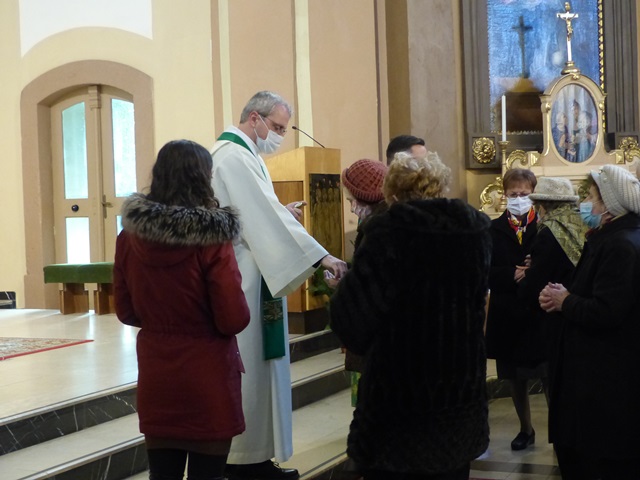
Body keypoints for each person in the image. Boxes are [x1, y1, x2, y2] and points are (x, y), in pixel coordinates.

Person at [209, 90, 347, 480]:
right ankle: (245, 461)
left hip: (253, 270)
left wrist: (277, 214)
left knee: (260, 366)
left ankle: (257, 457)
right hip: (243, 276)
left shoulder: (242, 154)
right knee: (251, 367)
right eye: (278, 127)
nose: (280, 136)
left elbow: (257, 214)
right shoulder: (233, 157)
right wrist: (322, 257)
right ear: (254, 118)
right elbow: (260, 217)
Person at [330, 151, 491, 479]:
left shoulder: (387, 232)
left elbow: (354, 320)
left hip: (401, 399)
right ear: (440, 186)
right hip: (458, 392)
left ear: (391, 192)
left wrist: (343, 288)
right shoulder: (474, 232)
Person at [114, 139, 251, 480]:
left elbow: (125, 310)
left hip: (158, 372)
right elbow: (232, 317)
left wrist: (162, 320)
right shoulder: (212, 237)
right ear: (203, 178)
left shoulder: (129, 237)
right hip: (207, 373)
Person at [539, 165, 640, 479]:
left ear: (609, 206)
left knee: (597, 463)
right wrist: (566, 294)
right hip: (602, 376)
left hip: (603, 380)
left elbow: (606, 310)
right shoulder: (616, 238)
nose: (585, 204)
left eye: (591, 197)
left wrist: (565, 301)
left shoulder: (620, 245)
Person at [484, 168, 540, 451]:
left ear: (533, 194)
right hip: (507, 311)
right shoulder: (492, 229)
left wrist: (532, 272)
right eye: (513, 194)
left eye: (524, 194)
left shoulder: (543, 226)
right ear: (505, 195)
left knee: (547, 372)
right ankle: (525, 428)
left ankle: (558, 430)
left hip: (537, 310)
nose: (519, 199)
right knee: (514, 376)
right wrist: (511, 274)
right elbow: (484, 269)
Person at [517, 177, 587, 397]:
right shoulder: (579, 223)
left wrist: (526, 278)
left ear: (542, 206)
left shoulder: (548, 231)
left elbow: (536, 282)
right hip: (579, 307)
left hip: (556, 315)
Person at [327, 158, 388, 406]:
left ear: (364, 198)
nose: (351, 207)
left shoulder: (379, 230)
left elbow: (374, 289)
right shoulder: (380, 224)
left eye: (351, 200)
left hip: (377, 343)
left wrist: (343, 286)